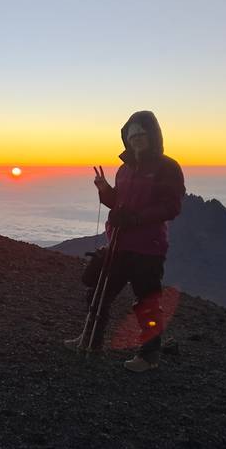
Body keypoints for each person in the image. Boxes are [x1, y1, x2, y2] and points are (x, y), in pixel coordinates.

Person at [64, 110, 185, 373]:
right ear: (126, 138)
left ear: (153, 135)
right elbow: (118, 203)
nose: (137, 139)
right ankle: (90, 340)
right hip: (119, 243)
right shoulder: (124, 168)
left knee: (146, 302)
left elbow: (171, 207)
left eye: (142, 134)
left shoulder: (167, 167)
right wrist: (104, 190)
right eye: (132, 135)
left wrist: (136, 218)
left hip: (148, 248)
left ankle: (149, 357)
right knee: (99, 293)